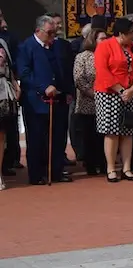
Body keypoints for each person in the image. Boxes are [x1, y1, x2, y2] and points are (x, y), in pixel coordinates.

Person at [17, 15, 73, 185]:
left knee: (57, 138)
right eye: (49, 33)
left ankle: (55, 171)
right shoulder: (26, 47)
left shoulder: (55, 47)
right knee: (36, 140)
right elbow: (24, 74)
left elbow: (64, 69)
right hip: (36, 102)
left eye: (54, 33)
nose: (52, 37)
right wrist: (43, 87)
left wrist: (67, 91)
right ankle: (36, 174)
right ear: (38, 31)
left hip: (58, 100)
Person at [93, 17, 133, 182]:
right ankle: (110, 168)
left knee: (128, 131)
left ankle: (127, 168)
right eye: (131, 34)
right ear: (121, 33)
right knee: (112, 132)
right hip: (109, 94)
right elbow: (103, 71)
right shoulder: (105, 46)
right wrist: (121, 90)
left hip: (129, 93)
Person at [72, 29, 106, 176]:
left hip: (106, 102)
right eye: (101, 39)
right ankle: (91, 165)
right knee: (89, 136)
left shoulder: (107, 55)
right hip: (88, 102)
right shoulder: (83, 57)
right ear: (93, 40)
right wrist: (93, 94)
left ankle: (104, 164)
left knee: (104, 136)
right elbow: (79, 79)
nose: (105, 41)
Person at [0, 35, 19, 190]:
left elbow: (10, 67)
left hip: (2, 94)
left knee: (1, 135)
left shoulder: (3, 43)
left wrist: (14, 84)